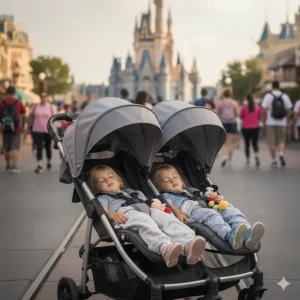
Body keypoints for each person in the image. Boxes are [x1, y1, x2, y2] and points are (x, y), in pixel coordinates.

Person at [89, 165, 206, 268]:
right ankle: (164, 247)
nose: (108, 180)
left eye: (111, 177)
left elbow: (148, 202)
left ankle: (187, 244)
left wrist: (158, 207)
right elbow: (102, 210)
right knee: (144, 222)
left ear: (119, 181)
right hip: (125, 213)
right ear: (97, 188)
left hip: (146, 209)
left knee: (168, 219)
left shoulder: (133, 193)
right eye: (102, 181)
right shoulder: (103, 197)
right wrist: (112, 214)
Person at [152, 165, 265, 251]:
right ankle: (228, 235)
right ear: (159, 187)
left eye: (175, 177)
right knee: (211, 215)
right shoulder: (166, 195)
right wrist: (178, 212)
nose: (172, 180)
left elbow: (204, 196)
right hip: (191, 211)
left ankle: (247, 234)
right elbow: (167, 204)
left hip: (205, 206)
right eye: (166, 181)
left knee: (231, 210)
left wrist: (215, 197)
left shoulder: (191, 191)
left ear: (181, 179)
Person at [261, 81, 292, 168]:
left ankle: (274, 160)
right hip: (282, 122)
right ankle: (281, 154)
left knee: (272, 142)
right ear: (279, 86)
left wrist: (264, 121)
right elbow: (289, 110)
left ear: (272, 86)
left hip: (270, 122)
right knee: (281, 140)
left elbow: (264, 110)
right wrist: (288, 120)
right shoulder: (285, 96)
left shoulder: (268, 96)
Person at [0, 86, 26, 173]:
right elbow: (23, 114)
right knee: (14, 147)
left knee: (6, 147)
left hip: (4, 128)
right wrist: (23, 125)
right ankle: (14, 166)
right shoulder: (19, 103)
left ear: (7, 92)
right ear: (15, 92)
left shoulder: (2, 103)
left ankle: (8, 165)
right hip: (16, 129)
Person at [29, 92, 57, 173]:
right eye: (41, 96)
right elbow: (31, 117)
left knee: (48, 147)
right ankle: (39, 163)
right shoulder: (35, 106)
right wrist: (29, 127)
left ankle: (48, 160)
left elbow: (54, 119)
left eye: (44, 96)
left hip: (47, 130)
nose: (43, 97)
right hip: (37, 130)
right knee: (39, 146)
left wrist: (53, 129)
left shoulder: (51, 107)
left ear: (47, 97)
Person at [216, 89, 240, 167]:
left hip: (223, 123)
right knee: (231, 142)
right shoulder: (234, 103)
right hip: (232, 123)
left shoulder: (220, 103)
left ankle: (225, 156)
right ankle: (229, 159)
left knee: (224, 142)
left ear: (223, 94)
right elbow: (237, 114)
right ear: (230, 94)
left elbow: (217, 112)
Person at [240, 94, 262, 166]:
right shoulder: (257, 107)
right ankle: (256, 156)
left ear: (246, 99)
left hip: (246, 128)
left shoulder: (244, 107)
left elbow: (241, 117)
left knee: (247, 144)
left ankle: (248, 159)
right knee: (255, 143)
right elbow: (259, 117)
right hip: (255, 127)